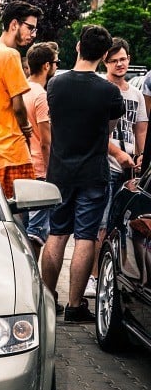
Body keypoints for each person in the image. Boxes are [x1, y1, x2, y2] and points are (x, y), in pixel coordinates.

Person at [41, 25, 125, 324]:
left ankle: (48, 302)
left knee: (56, 233)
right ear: (105, 56)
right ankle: (76, 306)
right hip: (92, 172)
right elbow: (111, 128)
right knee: (86, 237)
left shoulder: (55, 85)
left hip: (60, 172)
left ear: (77, 47)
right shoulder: (109, 92)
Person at [86, 37, 147, 296]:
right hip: (107, 164)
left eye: (123, 59)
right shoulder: (100, 88)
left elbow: (141, 127)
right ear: (105, 62)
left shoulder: (134, 93)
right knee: (101, 224)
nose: (119, 64)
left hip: (130, 167)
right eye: (114, 60)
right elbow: (96, 130)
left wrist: (143, 155)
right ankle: (94, 276)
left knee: (121, 226)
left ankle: (119, 275)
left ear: (129, 60)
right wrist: (118, 153)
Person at [0, 0, 43, 198]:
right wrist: (27, 128)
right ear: (14, 25)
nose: (33, 35)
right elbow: (18, 105)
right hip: (11, 150)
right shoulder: (10, 55)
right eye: (30, 28)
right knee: (17, 218)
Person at [23, 41, 59, 260]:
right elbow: (46, 141)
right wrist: (52, 170)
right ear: (46, 66)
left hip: (21, 164)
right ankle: (33, 277)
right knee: (36, 233)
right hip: (39, 169)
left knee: (23, 228)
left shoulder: (21, 90)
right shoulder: (40, 96)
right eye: (55, 63)